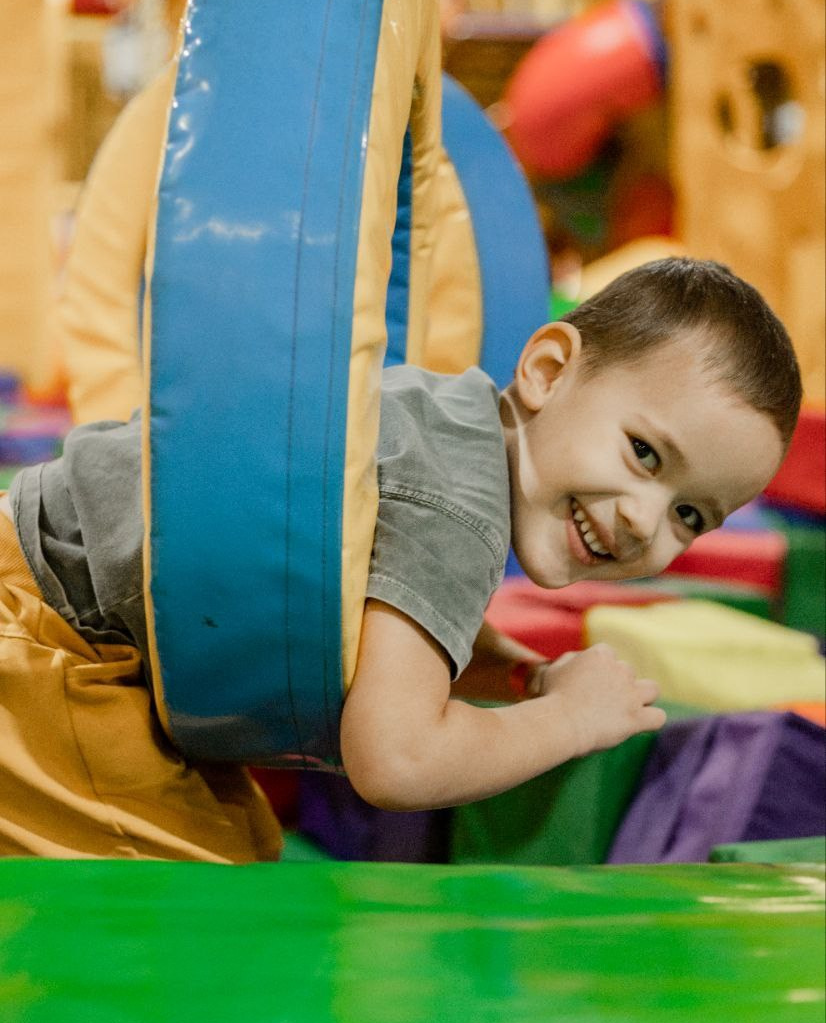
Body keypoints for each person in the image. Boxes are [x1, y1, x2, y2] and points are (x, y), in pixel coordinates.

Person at [0, 258, 801, 860]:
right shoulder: (462, 511)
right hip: (53, 635)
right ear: (548, 371)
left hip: (51, 583)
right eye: (645, 455)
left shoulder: (450, 425)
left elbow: (382, 612)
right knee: (193, 900)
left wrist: (518, 675)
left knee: (236, 841)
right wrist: (570, 720)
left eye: (690, 515)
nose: (642, 520)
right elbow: (396, 759)